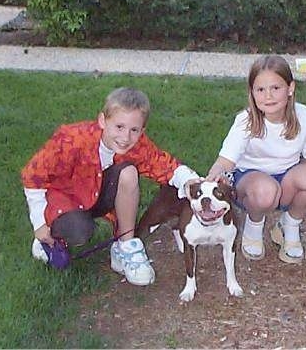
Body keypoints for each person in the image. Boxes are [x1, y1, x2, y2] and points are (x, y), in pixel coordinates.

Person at [22, 87, 199, 285]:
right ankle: (48, 239)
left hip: (97, 194)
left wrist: (191, 181)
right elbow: (32, 176)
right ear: (102, 121)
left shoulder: (136, 144)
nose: (125, 137)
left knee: (128, 173)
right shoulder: (71, 139)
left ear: (142, 131)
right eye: (119, 127)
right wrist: (39, 223)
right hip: (65, 199)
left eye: (134, 130)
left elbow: (164, 165)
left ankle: (125, 246)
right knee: (79, 231)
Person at [206, 55, 306, 264]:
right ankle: (254, 224)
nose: (268, 96)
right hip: (250, 183)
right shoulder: (245, 121)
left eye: (275, 88)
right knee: (266, 191)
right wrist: (212, 178)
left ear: (290, 88)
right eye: (260, 90)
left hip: (286, 179)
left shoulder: (303, 115)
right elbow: (225, 161)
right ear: (252, 93)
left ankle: (289, 225)